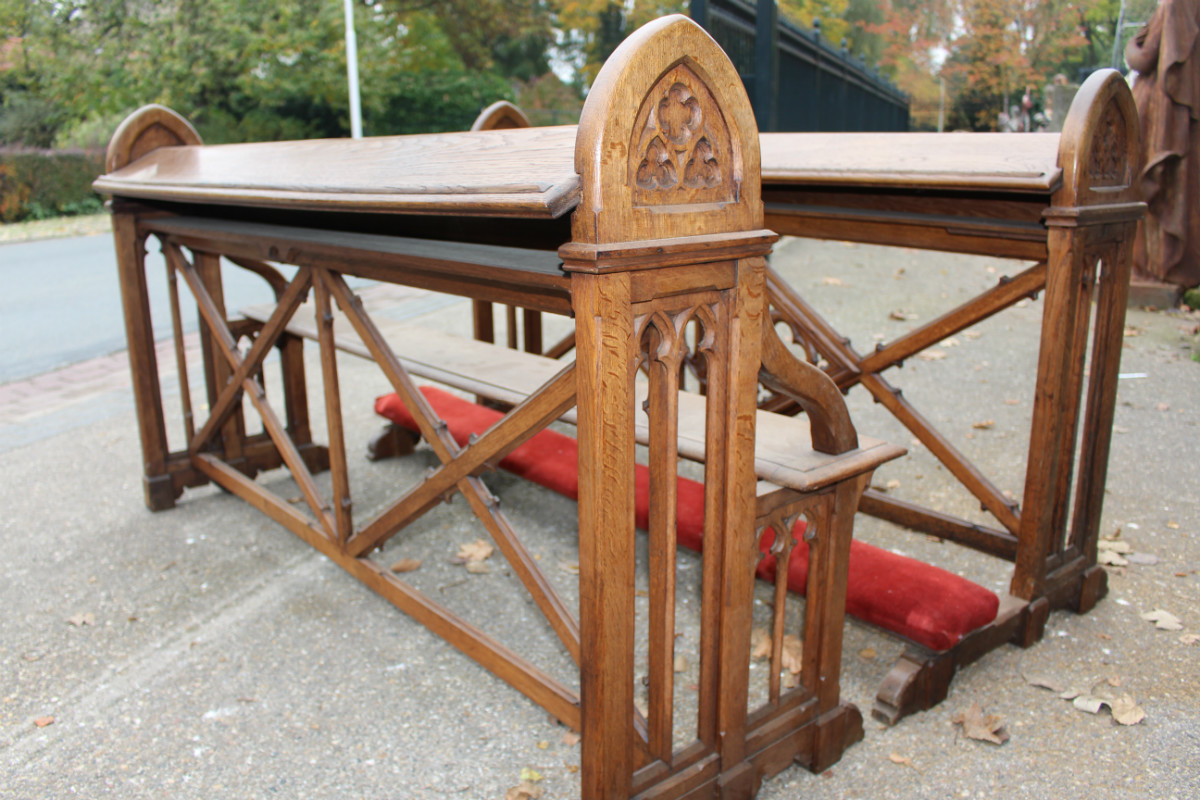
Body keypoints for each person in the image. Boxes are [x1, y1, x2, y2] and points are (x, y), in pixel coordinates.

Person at [1125, 0, 1200, 287]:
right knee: (1180, 186)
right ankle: (1173, 263)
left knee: (1147, 185)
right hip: (1185, 113)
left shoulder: (1172, 5)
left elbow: (1143, 59)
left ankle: (1152, 268)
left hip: (1158, 111)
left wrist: (1132, 43)